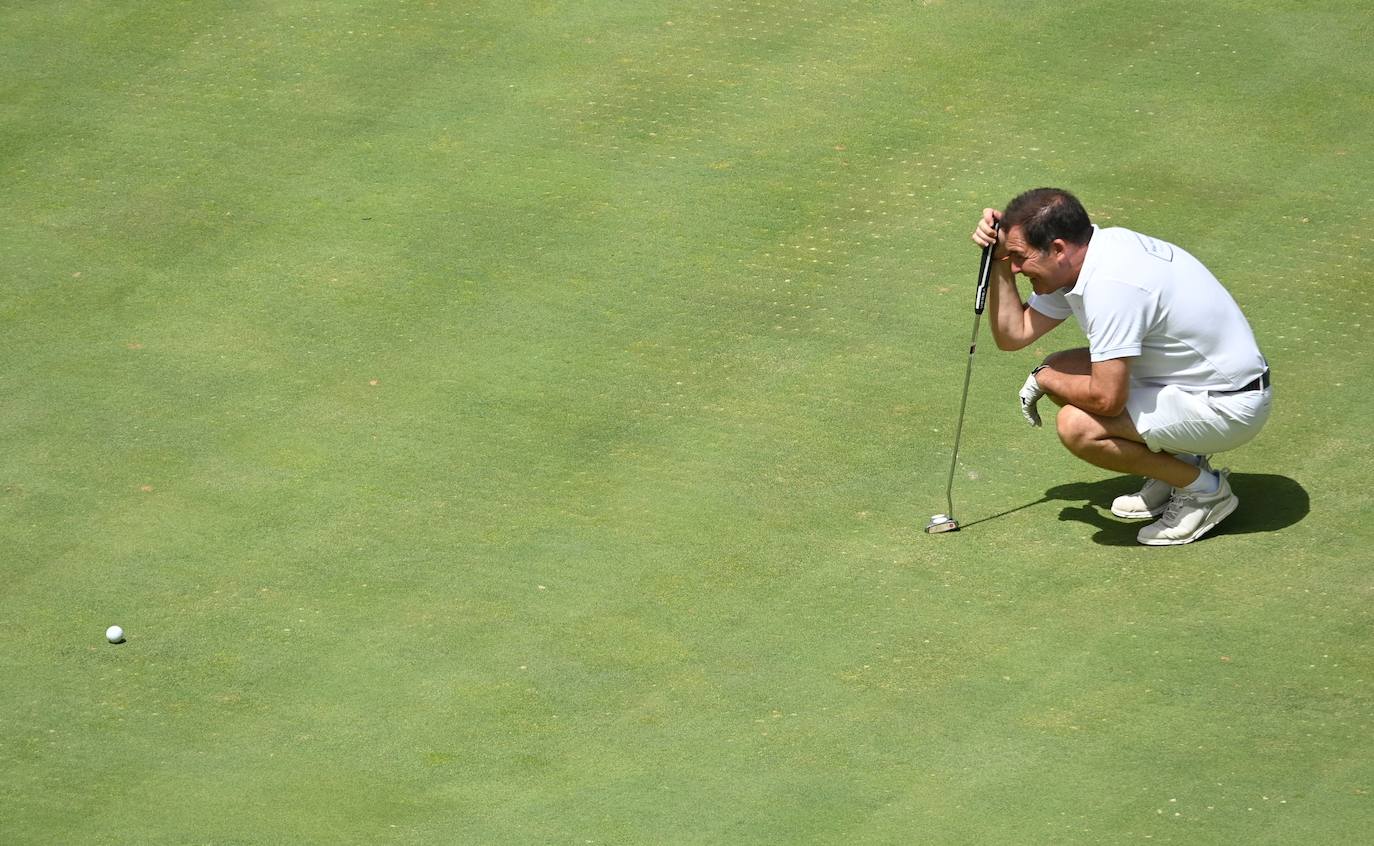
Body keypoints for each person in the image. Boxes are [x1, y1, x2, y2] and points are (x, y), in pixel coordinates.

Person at [971, 188, 1272, 545]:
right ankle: (1179, 468)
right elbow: (1013, 334)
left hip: (1228, 406)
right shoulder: (1092, 254)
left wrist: (1045, 378)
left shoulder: (1111, 286)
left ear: (1058, 248)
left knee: (1077, 425)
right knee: (1064, 366)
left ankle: (1205, 492)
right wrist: (1000, 260)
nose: (1018, 267)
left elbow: (1106, 400)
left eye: (1021, 257)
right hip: (1196, 382)